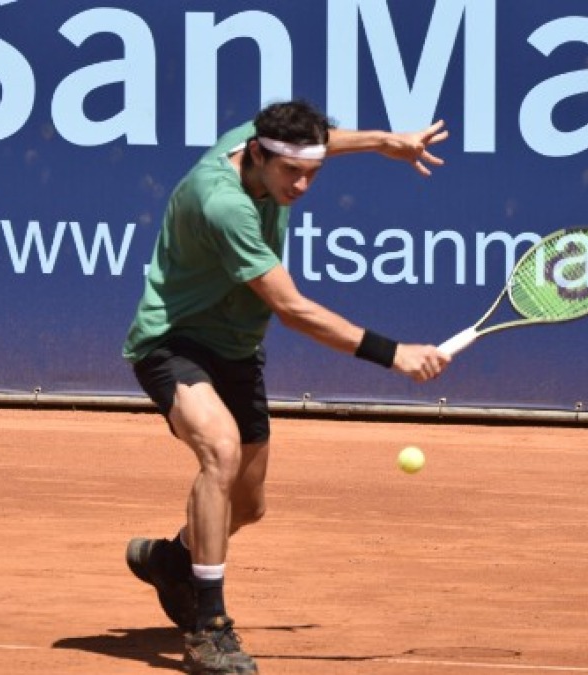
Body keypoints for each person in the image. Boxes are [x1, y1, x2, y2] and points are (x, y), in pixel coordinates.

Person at [122, 100, 451, 675]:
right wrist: (392, 353)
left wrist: (383, 142)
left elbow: (322, 139)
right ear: (256, 154)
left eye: (312, 172)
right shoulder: (223, 203)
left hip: (237, 349)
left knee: (247, 506)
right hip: (172, 342)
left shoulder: (270, 142)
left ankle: (174, 560)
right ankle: (208, 629)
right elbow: (292, 308)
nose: (301, 184)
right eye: (289, 172)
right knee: (219, 452)